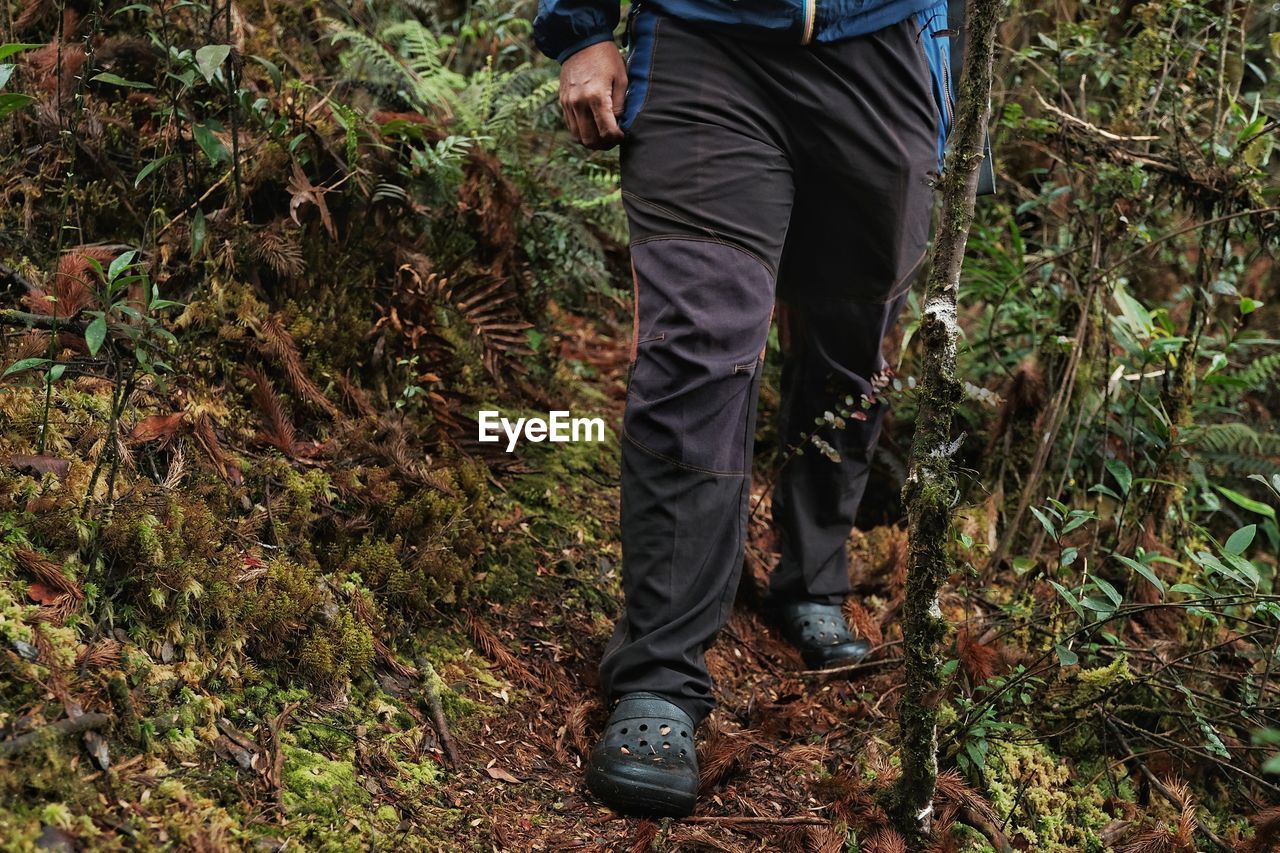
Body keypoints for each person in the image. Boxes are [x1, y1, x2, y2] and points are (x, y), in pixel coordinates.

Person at [533, 0, 956, 817]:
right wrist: (582, 27)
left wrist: (953, 86)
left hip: (885, 48)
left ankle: (813, 572)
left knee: (851, 339)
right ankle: (660, 672)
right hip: (706, 42)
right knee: (698, 339)